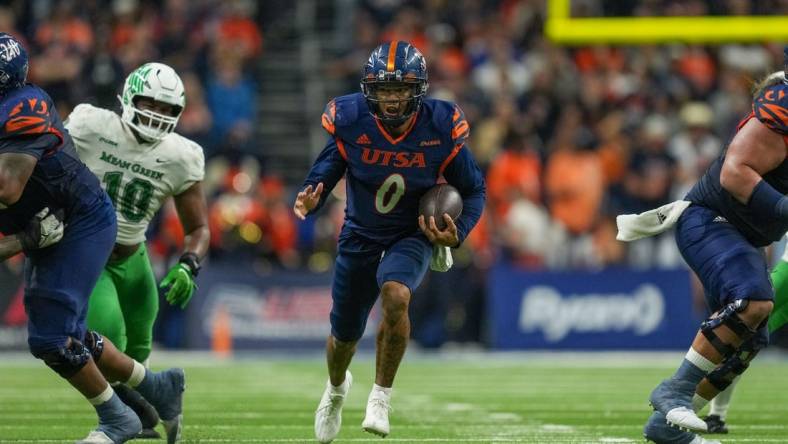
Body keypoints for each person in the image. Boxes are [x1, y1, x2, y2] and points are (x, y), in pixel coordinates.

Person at [294, 41, 485, 443]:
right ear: (370, 90)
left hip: (411, 232)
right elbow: (332, 162)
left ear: (418, 89)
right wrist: (315, 189)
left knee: (396, 294)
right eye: (385, 89)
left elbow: (474, 190)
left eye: (401, 89)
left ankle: (381, 395)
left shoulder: (439, 125)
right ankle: (335, 388)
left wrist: (458, 231)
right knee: (343, 335)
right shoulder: (350, 119)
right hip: (360, 232)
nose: (393, 98)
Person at [0, 33, 185, 444]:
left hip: (78, 220)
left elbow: (7, 188)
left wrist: (25, 238)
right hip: (46, 225)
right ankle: (159, 388)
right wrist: (23, 240)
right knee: (71, 334)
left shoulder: (23, 107)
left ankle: (117, 418)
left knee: (51, 337)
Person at [618, 53, 788, 444]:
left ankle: (667, 426)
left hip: (748, 237)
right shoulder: (781, 111)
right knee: (755, 301)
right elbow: (734, 172)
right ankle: (674, 391)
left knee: (747, 341)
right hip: (712, 220)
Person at [65, 62, 209, 438]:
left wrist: (189, 263)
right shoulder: (90, 126)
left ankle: (139, 418)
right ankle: (138, 413)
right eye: (151, 103)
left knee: (139, 349)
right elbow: (46, 168)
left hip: (135, 259)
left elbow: (198, 228)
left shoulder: (182, 155)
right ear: (129, 97)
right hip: (90, 256)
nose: (157, 115)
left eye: (167, 109)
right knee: (106, 342)